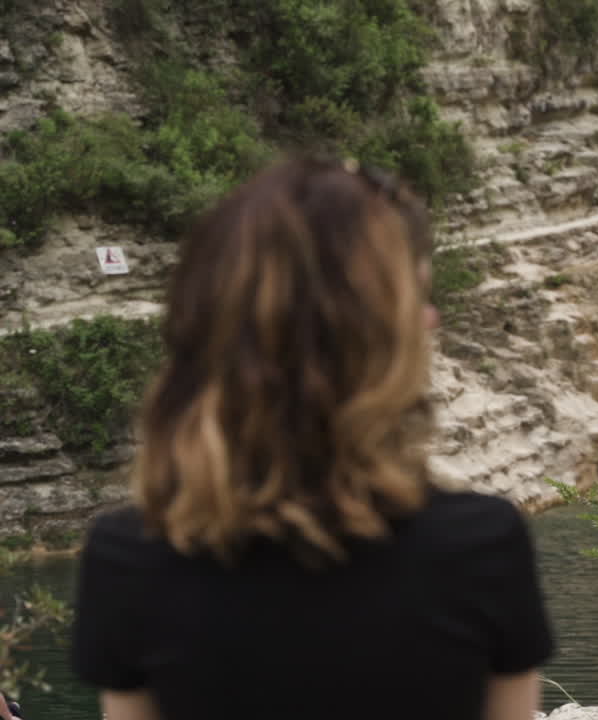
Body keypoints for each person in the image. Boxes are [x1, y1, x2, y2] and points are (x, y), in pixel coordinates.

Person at [70, 158, 553, 720]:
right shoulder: (480, 545)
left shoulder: (127, 558)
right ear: (376, 335)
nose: (432, 318)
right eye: (413, 298)